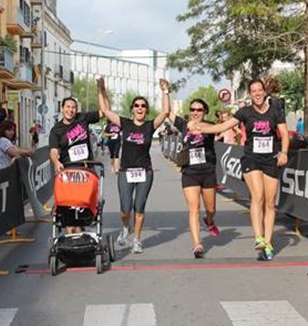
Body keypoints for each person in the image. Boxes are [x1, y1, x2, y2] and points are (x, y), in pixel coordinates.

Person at [190, 79, 290, 261]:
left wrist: (283, 152)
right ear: (250, 94)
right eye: (254, 91)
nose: (257, 93)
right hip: (251, 158)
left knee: (270, 203)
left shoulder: (276, 111)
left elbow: (284, 134)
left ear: (264, 92)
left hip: (271, 159)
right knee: (257, 196)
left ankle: (268, 243)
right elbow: (222, 126)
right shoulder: (245, 112)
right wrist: (201, 127)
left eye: (260, 90)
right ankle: (258, 237)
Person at [97, 77, 170, 254]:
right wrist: (101, 89)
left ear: (146, 110)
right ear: (132, 109)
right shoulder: (125, 124)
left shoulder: (149, 126)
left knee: (139, 207)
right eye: (137, 105)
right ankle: (125, 228)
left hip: (145, 171)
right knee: (125, 209)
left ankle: (137, 239)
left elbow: (166, 111)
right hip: (126, 171)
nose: (140, 108)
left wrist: (165, 91)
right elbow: (105, 110)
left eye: (143, 106)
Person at [169, 98, 220, 258]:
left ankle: (210, 221)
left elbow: (215, 129)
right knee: (194, 209)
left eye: (199, 110)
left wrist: (198, 127)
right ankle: (197, 244)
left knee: (211, 209)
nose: (195, 112)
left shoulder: (210, 125)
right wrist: (165, 92)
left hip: (208, 171)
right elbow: (167, 113)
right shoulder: (184, 125)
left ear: (204, 112)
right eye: (192, 109)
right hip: (190, 172)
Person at [49, 96, 104, 233]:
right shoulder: (56, 130)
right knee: (68, 205)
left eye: (73, 107)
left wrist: (101, 90)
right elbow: (54, 151)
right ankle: (71, 238)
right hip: (67, 171)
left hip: (86, 170)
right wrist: (56, 162)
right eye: (67, 107)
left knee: (83, 204)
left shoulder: (82, 118)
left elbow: (104, 112)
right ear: (62, 109)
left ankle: (81, 230)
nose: (70, 110)